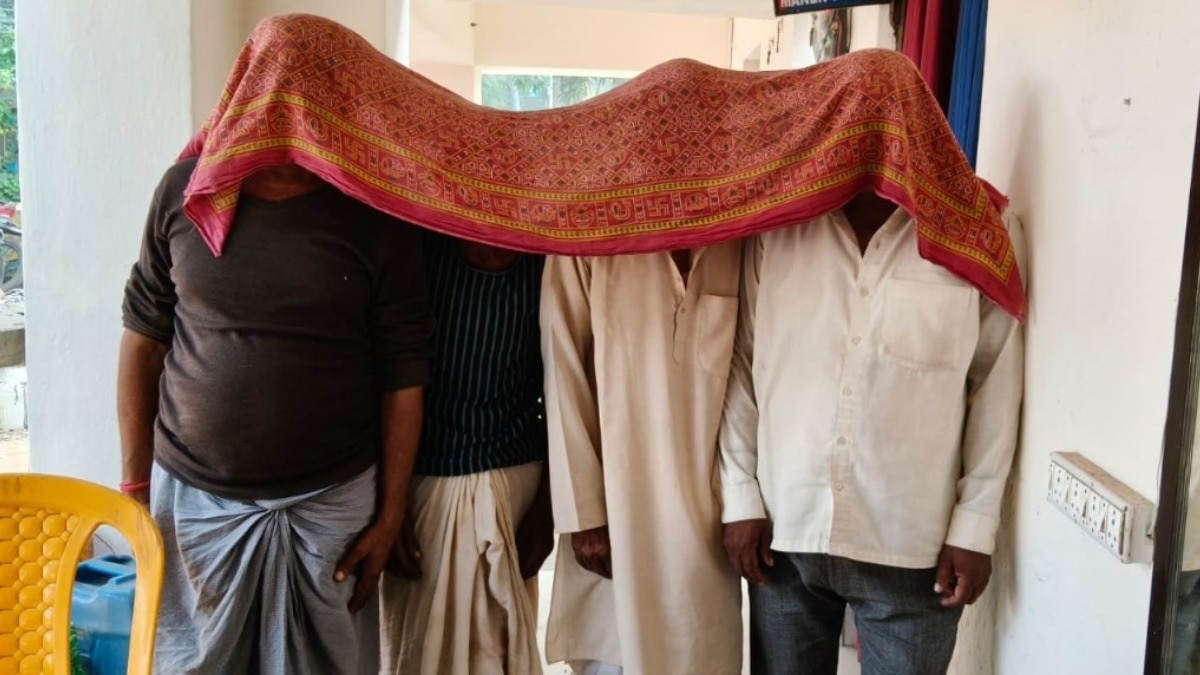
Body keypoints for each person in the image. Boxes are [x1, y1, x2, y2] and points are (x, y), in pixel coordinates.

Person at [118, 158, 434, 675]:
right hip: (192, 505)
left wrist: (391, 513)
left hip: (329, 506)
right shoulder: (186, 190)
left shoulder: (374, 206)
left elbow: (404, 371)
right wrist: (135, 487)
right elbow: (143, 338)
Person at [719, 191, 1026, 675]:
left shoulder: (981, 224)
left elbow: (996, 382)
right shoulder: (778, 219)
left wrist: (975, 525)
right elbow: (742, 362)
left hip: (914, 548)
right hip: (784, 532)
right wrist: (740, 497)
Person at [540, 244, 744, 675]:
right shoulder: (586, 232)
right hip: (615, 518)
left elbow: (744, 375)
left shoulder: (733, 236)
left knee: (700, 655)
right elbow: (562, 368)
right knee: (616, 653)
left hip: (704, 526)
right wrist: (584, 514)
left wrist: (743, 501)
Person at [379, 233, 553, 675]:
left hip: (515, 489)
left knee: (501, 653)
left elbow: (564, 387)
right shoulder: (416, 250)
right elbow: (383, 375)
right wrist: (389, 507)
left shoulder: (548, 262)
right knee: (417, 654)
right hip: (420, 489)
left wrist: (547, 508)